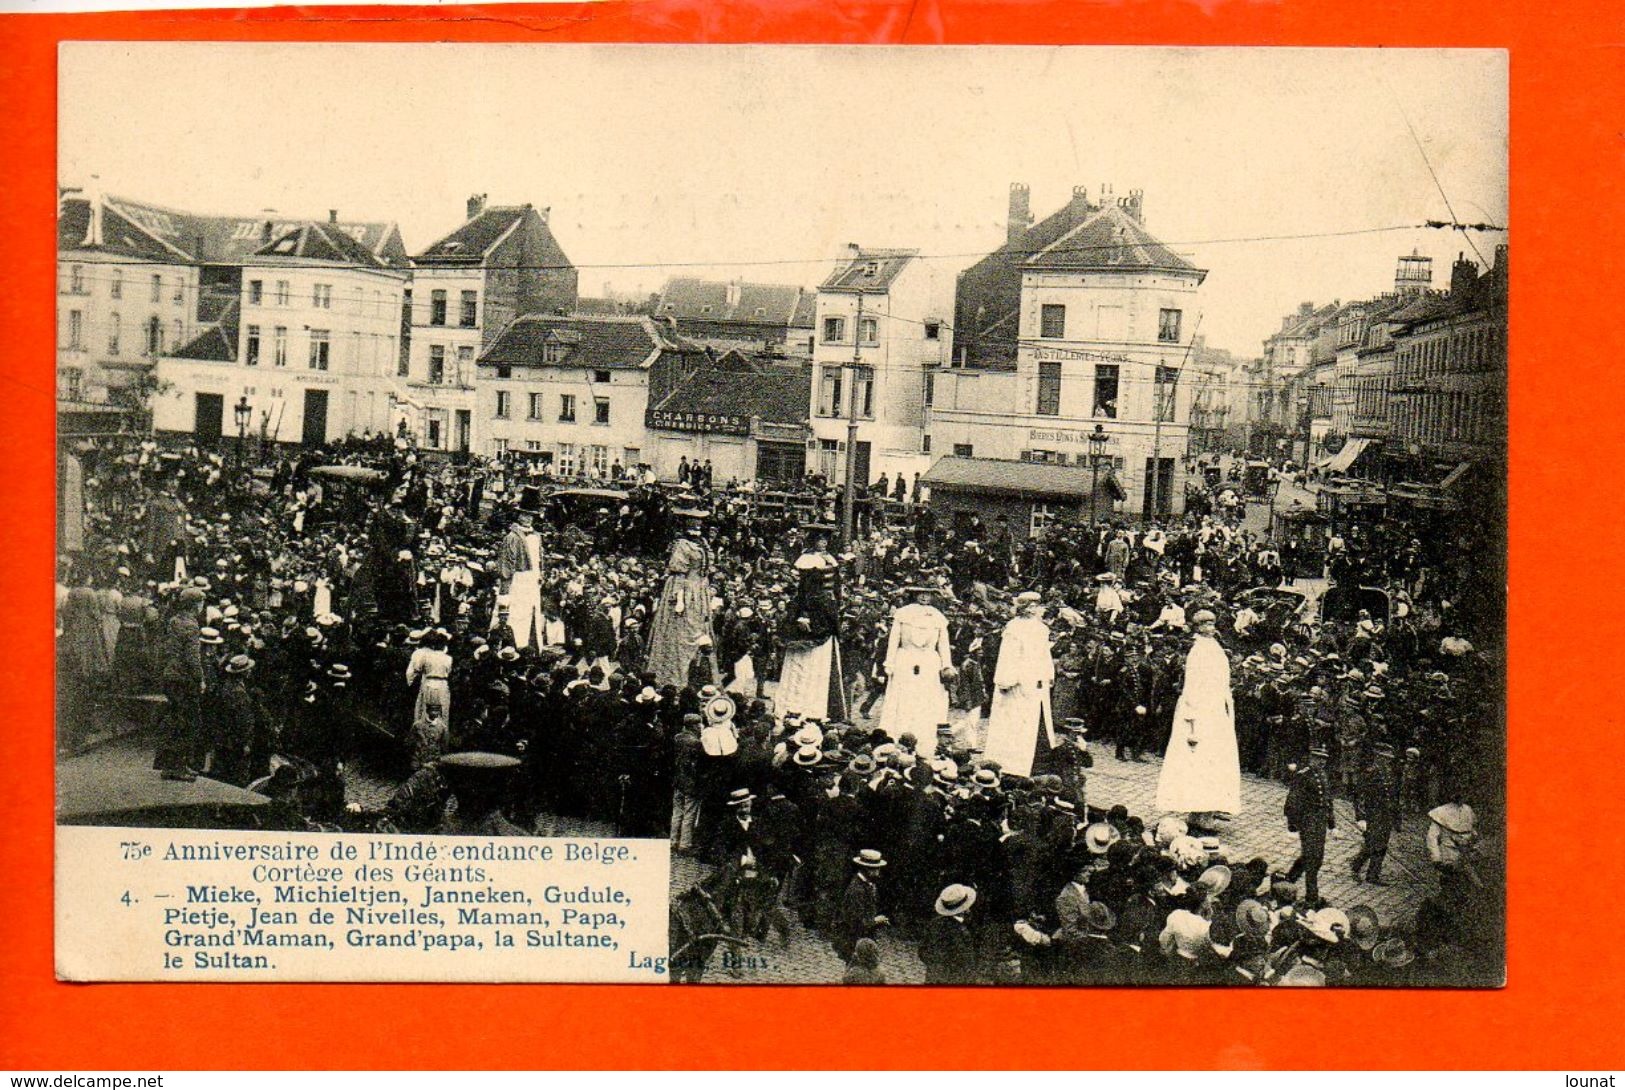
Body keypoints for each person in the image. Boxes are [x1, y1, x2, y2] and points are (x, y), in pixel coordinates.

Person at [1154, 609, 1241, 831]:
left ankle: (1207, 809)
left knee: (1215, 760)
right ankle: (1198, 811)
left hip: (1215, 711)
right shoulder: (1198, 651)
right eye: (1206, 624)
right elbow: (1192, 688)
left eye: (1213, 623)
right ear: (1198, 627)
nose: (1211, 627)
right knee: (1199, 761)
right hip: (1201, 713)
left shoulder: (1214, 647)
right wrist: (1192, 720)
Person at [776, 529, 848, 723]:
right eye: (819, 540)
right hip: (811, 606)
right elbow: (803, 590)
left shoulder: (831, 559)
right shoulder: (807, 560)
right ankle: (799, 705)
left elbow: (836, 586)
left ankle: (824, 706)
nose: (823, 543)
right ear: (813, 542)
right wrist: (804, 615)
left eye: (825, 540)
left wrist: (836, 602)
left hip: (828, 607)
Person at [983, 592, 1056, 777]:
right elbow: (1009, 656)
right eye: (1029, 606)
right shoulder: (1014, 628)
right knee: (1017, 720)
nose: (1033, 609)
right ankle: (1012, 762)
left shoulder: (1041, 628)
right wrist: (1006, 680)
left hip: (1037, 678)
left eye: (1035, 606)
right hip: (1020, 680)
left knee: (1039, 719)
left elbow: (1045, 654)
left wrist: (1049, 673)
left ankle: (1039, 763)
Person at [875, 585, 955, 757]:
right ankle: (898, 735)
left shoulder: (937, 616)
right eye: (921, 593)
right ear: (915, 594)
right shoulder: (903, 614)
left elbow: (943, 644)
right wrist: (889, 662)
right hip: (905, 660)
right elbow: (894, 639)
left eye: (928, 594)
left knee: (925, 701)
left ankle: (923, 737)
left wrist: (946, 664)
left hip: (929, 663)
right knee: (903, 698)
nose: (925, 597)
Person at [646, 512, 718, 689]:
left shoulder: (702, 544)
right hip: (685, 590)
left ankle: (698, 676)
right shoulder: (682, 545)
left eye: (699, 523)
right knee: (681, 630)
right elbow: (678, 573)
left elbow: (707, 569)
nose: (697, 526)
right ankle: (673, 679)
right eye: (694, 523)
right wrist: (679, 599)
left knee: (700, 627)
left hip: (699, 590)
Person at [1284, 745, 1336, 905]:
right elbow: (1292, 802)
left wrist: (1332, 824)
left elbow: (1328, 801)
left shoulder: (1323, 776)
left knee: (1314, 857)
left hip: (1319, 822)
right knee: (1313, 858)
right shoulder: (1303, 776)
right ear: (1311, 758)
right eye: (1318, 759)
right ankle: (1311, 896)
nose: (1321, 762)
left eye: (1323, 759)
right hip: (1307, 820)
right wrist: (1292, 826)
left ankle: (1289, 879)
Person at [497, 488, 545, 650]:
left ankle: (532, 647)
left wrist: (540, 575)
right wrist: (504, 593)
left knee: (533, 614)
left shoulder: (536, 536)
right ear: (518, 515)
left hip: (532, 583)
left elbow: (539, 560)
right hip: (518, 582)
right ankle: (514, 646)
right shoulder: (512, 538)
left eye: (531, 515)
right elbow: (506, 568)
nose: (528, 519)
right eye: (525, 515)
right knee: (516, 616)